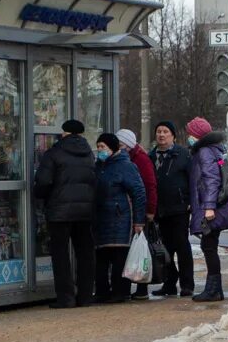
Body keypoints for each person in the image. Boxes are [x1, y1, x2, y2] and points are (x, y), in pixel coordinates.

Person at [32, 119, 97, 309]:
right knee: (85, 254)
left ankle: (66, 297)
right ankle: (85, 296)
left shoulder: (54, 153)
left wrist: (39, 196)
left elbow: (43, 182)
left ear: (64, 133)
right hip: (85, 211)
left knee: (60, 255)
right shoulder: (88, 154)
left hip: (59, 211)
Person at [92, 133, 147, 304]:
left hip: (120, 219)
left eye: (103, 147)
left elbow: (139, 192)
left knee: (119, 258)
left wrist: (139, 221)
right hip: (101, 218)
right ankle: (102, 291)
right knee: (101, 257)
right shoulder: (99, 166)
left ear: (113, 148)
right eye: (98, 146)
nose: (100, 150)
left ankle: (120, 291)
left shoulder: (125, 166)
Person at [186, 116, 228, 302]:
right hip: (217, 205)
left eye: (190, 133)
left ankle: (214, 289)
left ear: (197, 135)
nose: (188, 137)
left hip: (212, 207)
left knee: (209, 246)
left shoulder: (205, 152)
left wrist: (209, 207)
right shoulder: (214, 149)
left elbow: (211, 179)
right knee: (209, 246)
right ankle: (214, 288)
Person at [150, 120, 195, 297]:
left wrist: (191, 201)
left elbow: (193, 180)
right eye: (159, 131)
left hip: (179, 208)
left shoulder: (183, 155)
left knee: (182, 247)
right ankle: (169, 282)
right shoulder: (151, 156)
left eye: (165, 132)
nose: (161, 135)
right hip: (159, 210)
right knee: (164, 249)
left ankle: (187, 284)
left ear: (173, 136)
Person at [116, 128, 158, 300]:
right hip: (133, 210)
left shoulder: (140, 159)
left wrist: (150, 211)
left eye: (119, 144)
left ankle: (142, 286)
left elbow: (149, 186)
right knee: (134, 249)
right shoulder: (132, 157)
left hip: (140, 211)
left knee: (140, 249)